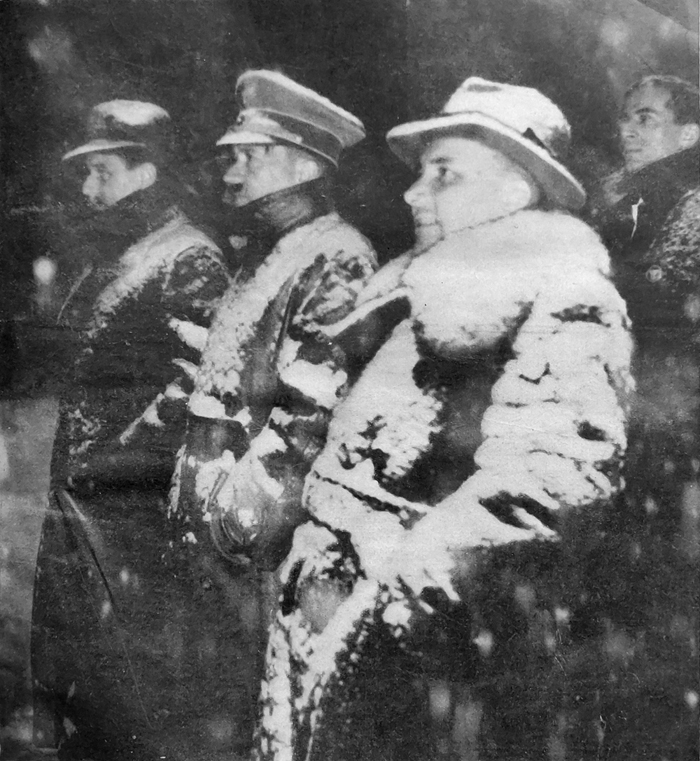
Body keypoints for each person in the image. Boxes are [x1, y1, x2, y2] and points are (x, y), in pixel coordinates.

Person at [250, 77, 634, 761]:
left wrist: (396, 602)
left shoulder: (567, 291)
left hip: (424, 643)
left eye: (444, 173)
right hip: (326, 604)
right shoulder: (413, 283)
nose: (412, 193)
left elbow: (551, 480)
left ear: (515, 187)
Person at [167, 70, 377, 751]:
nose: (230, 172)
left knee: (252, 711)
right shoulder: (263, 253)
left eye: (247, 156)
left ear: (303, 163)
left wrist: (235, 520)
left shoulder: (337, 255)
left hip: (261, 543)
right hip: (215, 530)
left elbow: (309, 418)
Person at [31, 100, 231, 761]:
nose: (89, 189)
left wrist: (116, 459)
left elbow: (197, 383)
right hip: (86, 497)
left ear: (147, 172)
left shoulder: (189, 256)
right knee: (85, 653)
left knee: (134, 664)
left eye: (102, 172)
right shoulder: (120, 255)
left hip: (134, 507)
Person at [588, 76, 700, 758]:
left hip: (665, 427)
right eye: (625, 117)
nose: (628, 129)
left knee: (652, 596)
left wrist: (595, 277)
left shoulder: (692, 202)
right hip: (614, 412)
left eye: (647, 118)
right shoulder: (613, 196)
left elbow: (670, 306)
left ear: (689, 134)